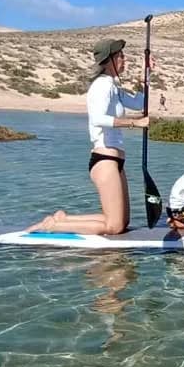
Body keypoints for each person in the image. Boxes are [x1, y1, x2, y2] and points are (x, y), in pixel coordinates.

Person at [26, 38, 149, 235]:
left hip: (116, 160)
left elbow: (139, 104)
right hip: (105, 160)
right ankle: (52, 226)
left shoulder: (113, 86)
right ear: (110, 60)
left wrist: (145, 77)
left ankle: (63, 219)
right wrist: (134, 123)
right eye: (121, 56)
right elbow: (98, 119)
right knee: (114, 226)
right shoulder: (101, 86)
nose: (125, 60)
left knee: (121, 222)